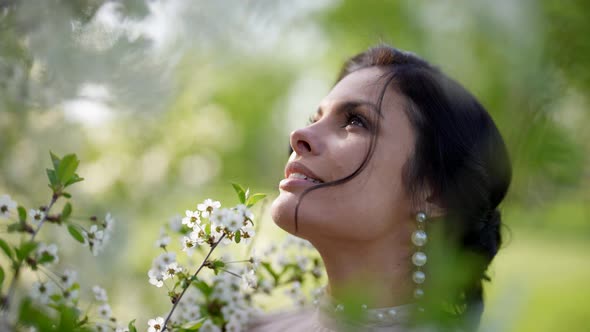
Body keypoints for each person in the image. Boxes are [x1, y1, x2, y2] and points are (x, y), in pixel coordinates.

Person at [249, 44, 512, 332]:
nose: (299, 135)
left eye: (355, 121)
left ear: (434, 193)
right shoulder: (242, 324)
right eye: (315, 119)